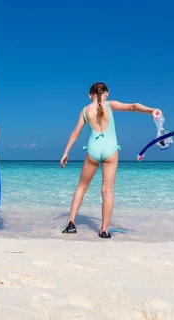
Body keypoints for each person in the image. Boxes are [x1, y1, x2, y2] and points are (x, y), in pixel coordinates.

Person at [60, 82, 162, 238]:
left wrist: (66, 152)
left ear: (89, 95)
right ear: (107, 93)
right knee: (107, 191)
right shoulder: (110, 105)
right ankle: (104, 230)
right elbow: (133, 106)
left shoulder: (85, 110)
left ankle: (71, 223)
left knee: (82, 186)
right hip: (110, 150)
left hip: (93, 149)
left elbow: (75, 133)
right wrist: (151, 111)